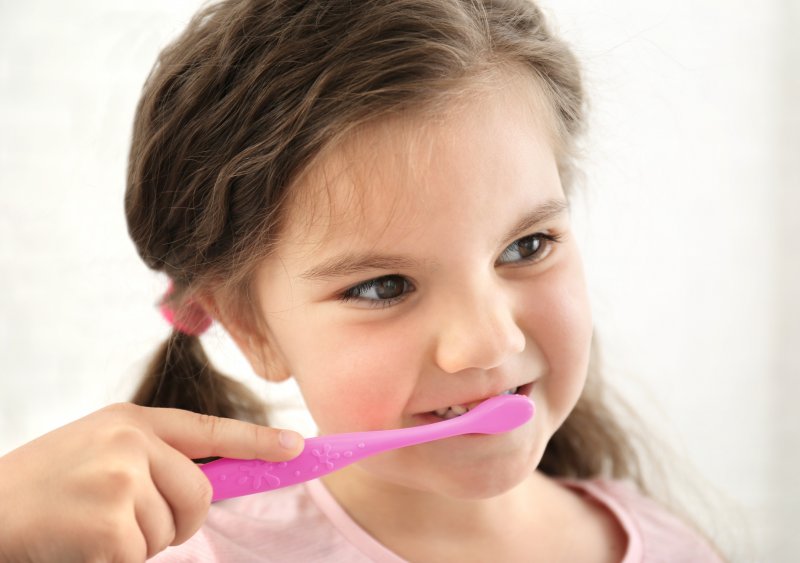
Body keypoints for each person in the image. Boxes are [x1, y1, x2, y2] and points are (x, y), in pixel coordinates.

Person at [0, 0, 726, 561]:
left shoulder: (669, 544)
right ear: (251, 326)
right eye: (384, 286)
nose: (487, 340)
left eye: (528, 244)